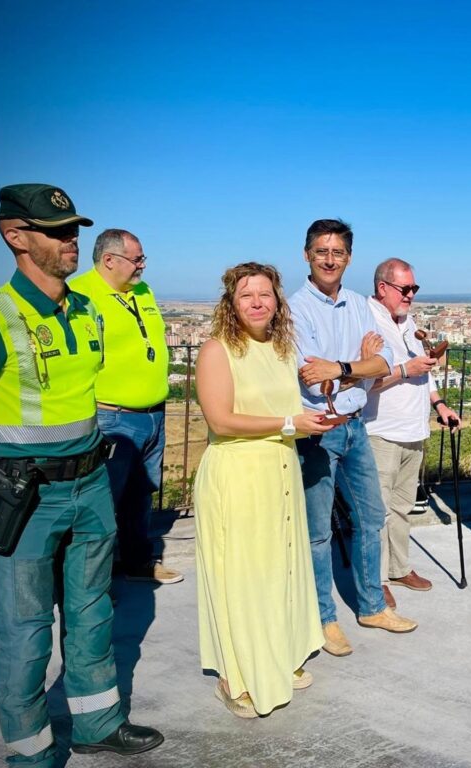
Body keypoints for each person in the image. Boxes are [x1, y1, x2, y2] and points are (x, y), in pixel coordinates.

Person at [0, 184, 163, 764]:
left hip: (91, 484)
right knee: (24, 633)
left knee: (93, 611)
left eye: (72, 229)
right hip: (26, 498)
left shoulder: (85, 308)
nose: (71, 239)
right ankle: (33, 754)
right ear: (15, 235)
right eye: (56, 230)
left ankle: (97, 723)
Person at [194, 262, 333, 718]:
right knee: (242, 576)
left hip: (280, 469)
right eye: (246, 295)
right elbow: (220, 420)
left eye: (266, 294)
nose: (257, 302)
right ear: (230, 304)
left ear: (278, 300)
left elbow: (295, 404)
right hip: (238, 475)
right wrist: (290, 423)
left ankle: (277, 656)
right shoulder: (217, 350)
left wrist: (322, 411)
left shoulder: (282, 348)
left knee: (280, 571)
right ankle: (236, 676)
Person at [290, 218, 418, 657]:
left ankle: (370, 605)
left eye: (338, 252)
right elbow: (311, 379)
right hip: (318, 431)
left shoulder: (360, 305)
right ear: (307, 254)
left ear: (349, 258)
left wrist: (342, 369)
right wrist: (355, 367)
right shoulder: (295, 309)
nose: (330, 259)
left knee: (371, 517)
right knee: (318, 532)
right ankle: (324, 617)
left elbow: (382, 363)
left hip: (355, 426)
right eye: (322, 251)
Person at [70, 229, 181, 585]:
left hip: (153, 414)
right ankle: (92, 585)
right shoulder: (81, 295)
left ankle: (137, 561)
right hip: (112, 417)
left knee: (140, 495)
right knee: (101, 504)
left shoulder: (142, 292)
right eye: (137, 259)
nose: (143, 266)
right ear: (109, 260)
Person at [363, 258, 459, 607]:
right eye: (406, 289)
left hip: (413, 429)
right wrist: (405, 369)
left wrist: (440, 405)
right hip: (380, 431)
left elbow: (425, 373)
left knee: (403, 507)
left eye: (414, 288)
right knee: (379, 511)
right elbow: (362, 382)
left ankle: (399, 568)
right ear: (382, 287)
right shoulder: (366, 321)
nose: (411, 295)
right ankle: (376, 579)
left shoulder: (408, 321)